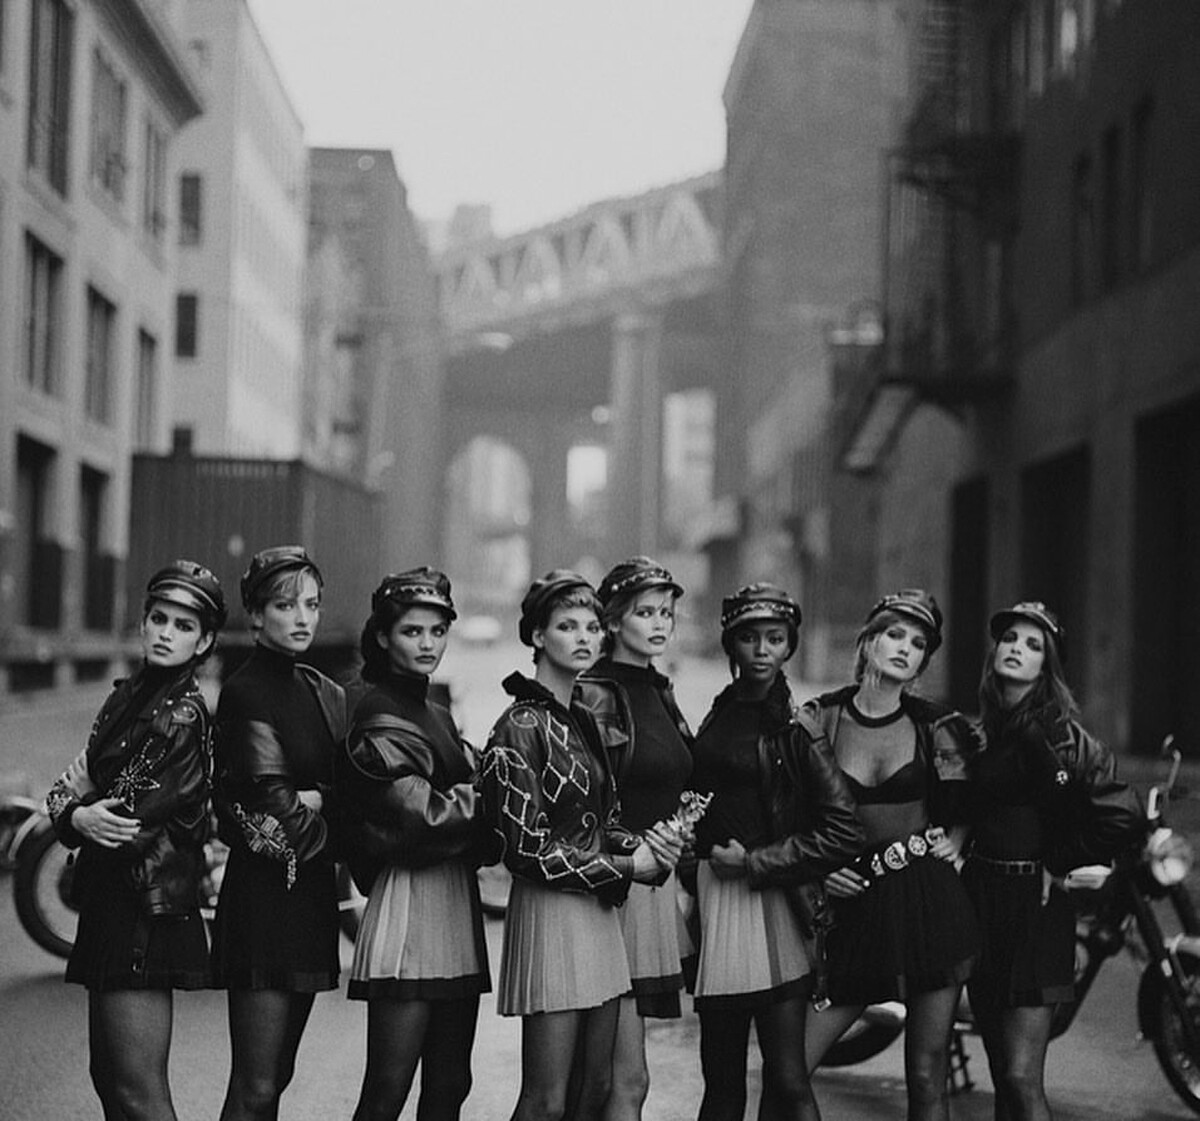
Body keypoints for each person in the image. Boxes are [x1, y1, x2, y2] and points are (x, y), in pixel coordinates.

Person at [480, 570, 683, 1121]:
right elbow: (525, 849)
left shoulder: (584, 721)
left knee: (593, 1091)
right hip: (552, 914)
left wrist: (649, 848)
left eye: (592, 627)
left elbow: (604, 821)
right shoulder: (520, 725)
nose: (584, 637)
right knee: (545, 1100)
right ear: (537, 636)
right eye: (567, 626)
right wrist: (626, 867)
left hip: (599, 916)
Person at [45, 560, 227, 1121]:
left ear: (204, 641)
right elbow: (69, 793)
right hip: (112, 902)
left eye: (183, 625)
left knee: (139, 1094)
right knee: (109, 1082)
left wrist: (76, 808)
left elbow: (119, 823)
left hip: (144, 913)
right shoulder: (126, 697)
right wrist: (77, 811)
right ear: (144, 622)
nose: (166, 633)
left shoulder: (180, 718)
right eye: (158, 618)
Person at [802, 589, 981, 1121]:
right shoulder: (821, 717)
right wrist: (820, 868)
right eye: (894, 635)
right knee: (792, 1064)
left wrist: (960, 836)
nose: (905, 648)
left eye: (918, 643)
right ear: (868, 641)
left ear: (924, 662)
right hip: (855, 908)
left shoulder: (937, 725)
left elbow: (983, 792)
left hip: (928, 905)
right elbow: (789, 810)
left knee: (926, 1076)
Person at [689, 582, 865, 1121]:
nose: (762, 649)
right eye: (749, 638)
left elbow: (844, 830)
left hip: (775, 907)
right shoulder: (719, 713)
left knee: (787, 1078)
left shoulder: (797, 727)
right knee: (720, 1081)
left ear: (789, 646)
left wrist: (754, 863)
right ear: (731, 644)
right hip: (716, 902)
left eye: (774, 638)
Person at [964, 601, 1142, 1121]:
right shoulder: (986, 732)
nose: (1016, 649)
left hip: (1037, 911)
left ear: (1048, 666)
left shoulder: (1065, 738)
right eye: (1010, 639)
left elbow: (1123, 815)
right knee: (1002, 1075)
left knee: (1023, 1077)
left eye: (1033, 644)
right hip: (981, 903)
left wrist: (1058, 861)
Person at [337, 568, 493, 1121]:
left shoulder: (439, 715)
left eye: (437, 631)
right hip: (408, 905)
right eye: (412, 631)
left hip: (454, 903)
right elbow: (420, 819)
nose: (428, 644)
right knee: (388, 1088)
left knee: (451, 1083)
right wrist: (491, 794)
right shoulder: (373, 711)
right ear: (383, 636)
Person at [209, 545, 347, 1121]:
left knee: (277, 1077)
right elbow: (273, 819)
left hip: (311, 902)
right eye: (286, 605)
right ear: (256, 614)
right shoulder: (245, 692)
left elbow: (355, 794)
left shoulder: (320, 690)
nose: (302, 617)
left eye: (311, 604)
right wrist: (318, 803)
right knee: (257, 1085)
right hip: (262, 906)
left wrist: (319, 799)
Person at [575, 556, 694, 1121]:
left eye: (666, 613)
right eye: (645, 613)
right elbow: (583, 802)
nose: (659, 624)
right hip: (613, 888)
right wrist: (632, 850)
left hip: (653, 889)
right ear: (615, 620)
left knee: (623, 1078)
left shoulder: (660, 691)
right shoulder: (592, 694)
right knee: (608, 1079)